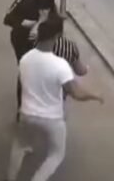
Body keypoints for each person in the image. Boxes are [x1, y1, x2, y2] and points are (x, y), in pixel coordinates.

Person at [7, 16, 104, 181]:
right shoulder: (60, 65)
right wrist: (95, 95)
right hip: (52, 118)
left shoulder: (25, 59)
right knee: (56, 155)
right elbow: (76, 93)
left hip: (26, 113)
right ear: (57, 36)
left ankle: (9, 178)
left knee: (20, 146)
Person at [4, 0, 58, 112]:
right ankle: (21, 107)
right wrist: (24, 23)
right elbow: (8, 18)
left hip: (39, 42)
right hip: (21, 40)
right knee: (25, 71)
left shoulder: (50, 0)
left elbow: (54, 19)